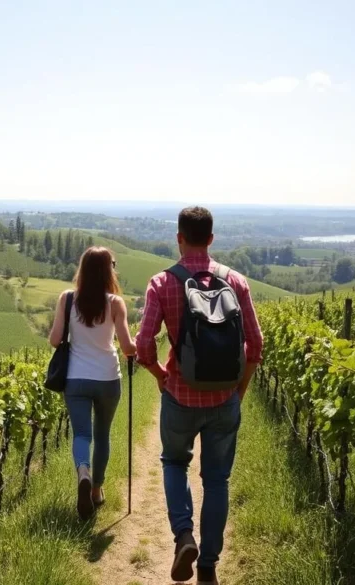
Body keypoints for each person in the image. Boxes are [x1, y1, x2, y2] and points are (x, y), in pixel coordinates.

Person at [135, 206, 263, 585]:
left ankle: (183, 536)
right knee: (217, 480)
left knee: (174, 463)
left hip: (179, 396)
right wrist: (239, 391)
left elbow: (143, 345)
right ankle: (208, 563)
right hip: (225, 400)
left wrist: (160, 375)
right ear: (211, 238)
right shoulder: (236, 282)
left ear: (179, 237)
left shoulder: (162, 283)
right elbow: (255, 345)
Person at [49, 246, 137, 521]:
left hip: (75, 378)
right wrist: (139, 338)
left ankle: (83, 472)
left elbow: (54, 340)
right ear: (109, 270)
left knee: (81, 435)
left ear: (82, 270)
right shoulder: (115, 303)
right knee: (102, 436)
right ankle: (97, 491)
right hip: (108, 379)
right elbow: (127, 347)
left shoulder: (67, 299)